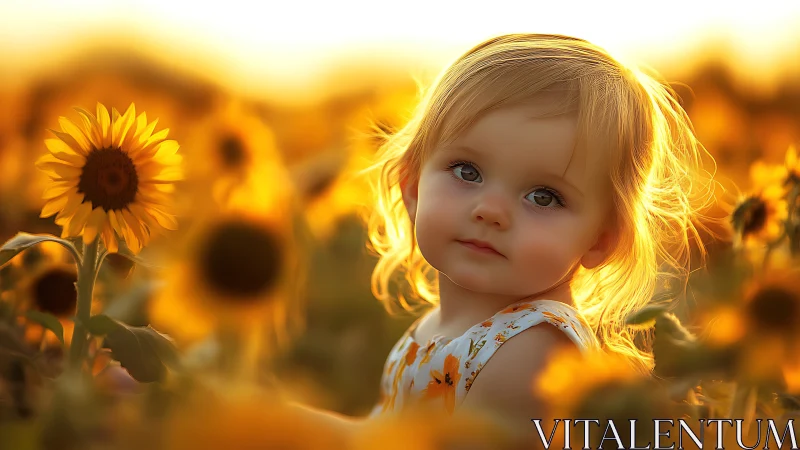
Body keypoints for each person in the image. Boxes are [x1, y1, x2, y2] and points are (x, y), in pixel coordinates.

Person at [292, 33, 719, 446]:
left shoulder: (531, 353)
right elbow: (381, 435)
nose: (490, 211)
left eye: (543, 197)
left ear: (601, 240)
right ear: (413, 184)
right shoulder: (447, 330)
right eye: (467, 171)